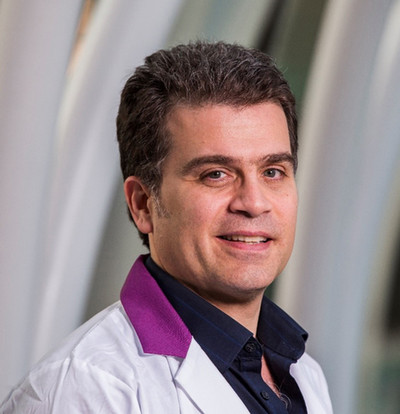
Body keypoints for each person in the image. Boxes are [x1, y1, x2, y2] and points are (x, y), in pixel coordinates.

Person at [1, 41, 332, 413]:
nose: (254, 203)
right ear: (143, 204)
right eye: (216, 174)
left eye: (273, 171)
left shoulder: (302, 372)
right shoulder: (82, 390)